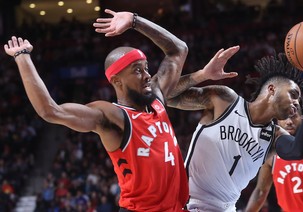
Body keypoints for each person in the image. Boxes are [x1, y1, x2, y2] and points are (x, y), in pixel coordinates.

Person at [2, 9, 237, 212]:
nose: (147, 75)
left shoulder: (155, 99)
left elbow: (178, 50)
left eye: (146, 68)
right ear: (117, 81)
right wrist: (23, 57)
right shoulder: (112, 117)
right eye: (137, 70)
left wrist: (135, 21)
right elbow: (50, 110)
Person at [167, 48, 303, 211]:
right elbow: (165, 95)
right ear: (272, 89)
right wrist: (202, 75)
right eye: (293, 94)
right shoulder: (225, 101)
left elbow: (299, 150)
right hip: (187, 203)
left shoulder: (274, 136)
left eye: (299, 100)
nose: (296, 102)